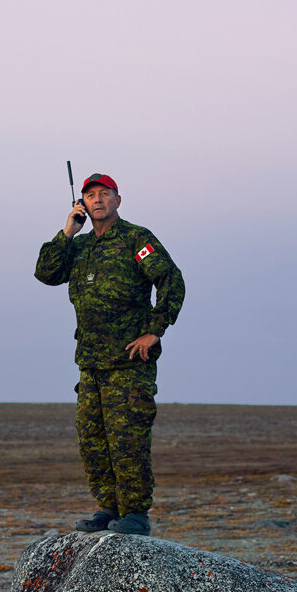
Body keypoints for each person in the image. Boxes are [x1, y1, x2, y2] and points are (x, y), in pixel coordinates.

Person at [33, 172, 186, 535]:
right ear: (81, 204)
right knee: (93, 438)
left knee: (127, 439)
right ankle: (109, 507)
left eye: (105, 194)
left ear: (118, 200)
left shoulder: (137, 240)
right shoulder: (80, 247)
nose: (98, 200)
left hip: (129, 363)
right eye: (90, 195)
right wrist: (68, 231)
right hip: (91, 363)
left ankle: (134, 513)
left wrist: (155, 330)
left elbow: (170, 279)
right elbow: (45, 272)